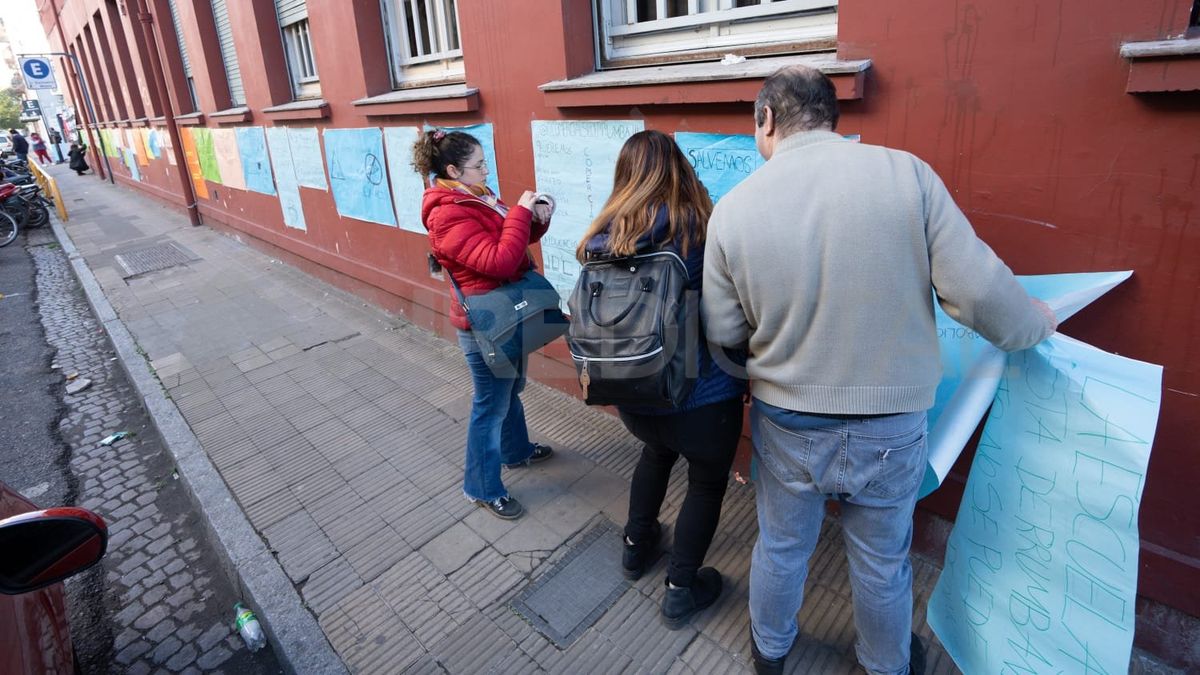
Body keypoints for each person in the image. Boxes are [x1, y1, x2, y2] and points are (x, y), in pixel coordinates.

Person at [702, 66, 1058, 675]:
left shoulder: (733, 209)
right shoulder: (907, 176)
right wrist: (1034, 325)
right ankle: (885, 664)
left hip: (787, 420)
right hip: (891, 424)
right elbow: (978, 291)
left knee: (782, 547)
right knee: (882, 561)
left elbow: (723, 331)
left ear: (767, 119)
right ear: (830, 117)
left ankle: (770, 651)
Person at [577, 130, 747, 629]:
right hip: (702, 397)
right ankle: (680, 589)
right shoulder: (700, 230)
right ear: (680, 170)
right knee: (706, 484)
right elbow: (732, 313)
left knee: (655, 455)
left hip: (632, 390)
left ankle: (636, 547)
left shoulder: (602, 235)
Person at [414, 129, 555, 520]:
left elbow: (511, 240)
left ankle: (516, 451)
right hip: (485, 324)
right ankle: (481, 487)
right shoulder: (446, 214)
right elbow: (499, 262)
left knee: (510, 390)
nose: (486, 170)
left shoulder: (476, 196)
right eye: (479, 165)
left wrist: (536, 218)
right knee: (490, 404)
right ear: (454, 170)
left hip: (508, 311)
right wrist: (521, 214)